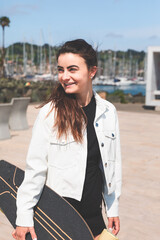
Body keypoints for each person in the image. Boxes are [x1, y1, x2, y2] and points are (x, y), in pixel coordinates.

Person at [12, 39, 122, 240]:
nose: (65, 76)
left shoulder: (108, 111)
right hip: (59, 216)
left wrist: (113, 206)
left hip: (94, 218)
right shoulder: (50, 113)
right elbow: (35, 168)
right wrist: (24, 217)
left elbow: (112, 165)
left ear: (92, 71)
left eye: (72, 69)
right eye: (60, 70)